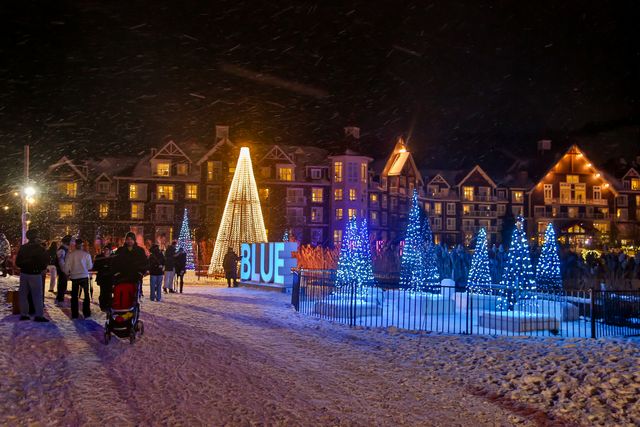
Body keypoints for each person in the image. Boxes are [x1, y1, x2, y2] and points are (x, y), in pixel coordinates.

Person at [15, 229, 49, 322]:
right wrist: (39, 268)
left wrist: (25, 265)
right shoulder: (40, 248)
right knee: (37, 295)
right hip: (35, 273)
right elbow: (45, 261)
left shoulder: (23, 248)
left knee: (23, 294)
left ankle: (24, 314)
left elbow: (18, 262)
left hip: (24, 273)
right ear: (37, 237)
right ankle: (38, 315)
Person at [65, 238, 93, 319]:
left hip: (74, 276)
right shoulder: (86, 254)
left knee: (74, 296)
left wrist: (68, 273)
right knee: (86, 295)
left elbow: (67, 266)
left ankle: (74, 313)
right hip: (84, 276)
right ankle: (86, 312)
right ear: (82, 245)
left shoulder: (70, 255)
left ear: (75, 245)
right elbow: (89, 266)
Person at [93, 244, 115, 311]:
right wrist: (102, 268)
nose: (106, 251)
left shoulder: (113, 258)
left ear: (110, 251)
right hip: (102, 277)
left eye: (107, 250)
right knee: (103, 292)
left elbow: (115, 267)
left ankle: (109, 305)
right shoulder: (99, 257)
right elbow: (95, 267)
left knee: (109, 292)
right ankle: (103, 305)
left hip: (110, 278)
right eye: (105, 249)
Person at [55, 235, 72, 306]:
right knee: (62, 284)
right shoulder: (62, 249)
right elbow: (61, 261)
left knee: (62, 284)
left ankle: (59, 299)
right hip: (63, 270)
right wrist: (65, 270)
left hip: (63, 269)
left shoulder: (65, 249)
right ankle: (60, 300)